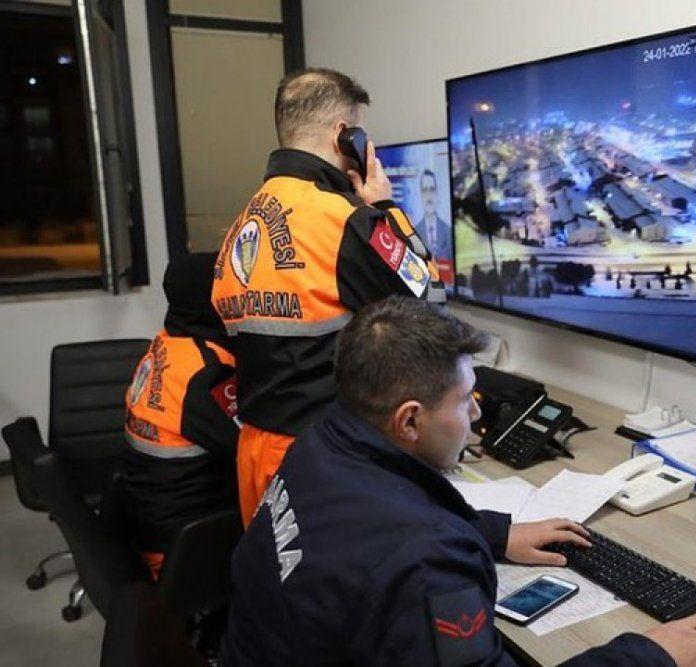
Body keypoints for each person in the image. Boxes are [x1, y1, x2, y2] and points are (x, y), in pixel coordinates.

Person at [220, 296, 696, 666]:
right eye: (463, 399)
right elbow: (402, 552)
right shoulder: (422, 559)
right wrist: (648, 654)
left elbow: (364, 534)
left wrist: (491, 534)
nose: (476, 414)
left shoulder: (320, 444)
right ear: (409, 420)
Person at [211, 68, 448, 524]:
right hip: (322, 459)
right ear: (345, 136)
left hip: (256, 453)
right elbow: (431, 300)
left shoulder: (244, 222)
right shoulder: (342, 220)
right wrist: (385, 207)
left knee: (273, 569)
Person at [119, 253, 240, 578]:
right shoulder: (204, 374)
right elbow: (248, 445)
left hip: (150, 522)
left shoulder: (167, 344)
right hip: (183, 548)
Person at [414, 168, 452, 261]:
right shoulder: (414, 233)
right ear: (421, 195)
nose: (429, 196)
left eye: (432, 189)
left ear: (437, 193)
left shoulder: (448, 231)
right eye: (425, 190)